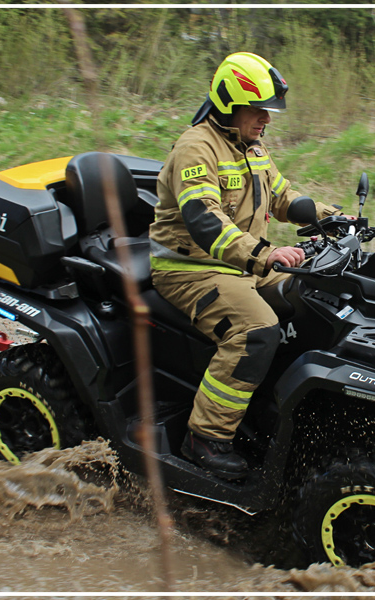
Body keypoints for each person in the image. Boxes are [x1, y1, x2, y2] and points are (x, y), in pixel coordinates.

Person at [149, 52, 345, 480]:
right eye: (258, 111)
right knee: (256, 330)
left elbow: (282, 196)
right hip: (192, 269)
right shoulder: (196, 149)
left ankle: (276, 408)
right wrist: (265, 255)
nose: (266, 121)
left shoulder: (250, 146)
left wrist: (331, 217)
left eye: (268, 112)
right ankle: (205, 438)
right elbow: (205, 223)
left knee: (314, 293)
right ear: (230, 106)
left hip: (240, 263)